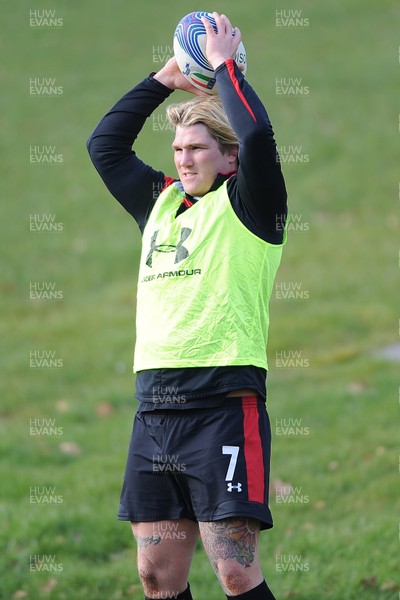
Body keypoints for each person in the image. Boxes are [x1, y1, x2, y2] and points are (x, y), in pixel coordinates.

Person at [87, 12, 287, 600]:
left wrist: (224, 65)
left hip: (223, 404)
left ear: (227, 161)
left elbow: (255, 137)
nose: (183, 159)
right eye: (177, 148)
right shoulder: (160, 204)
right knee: (157, 576)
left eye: (197, 148)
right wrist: (165, 79)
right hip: (155, 409)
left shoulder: (252, 205)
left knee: (234, 571)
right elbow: (104, 145)